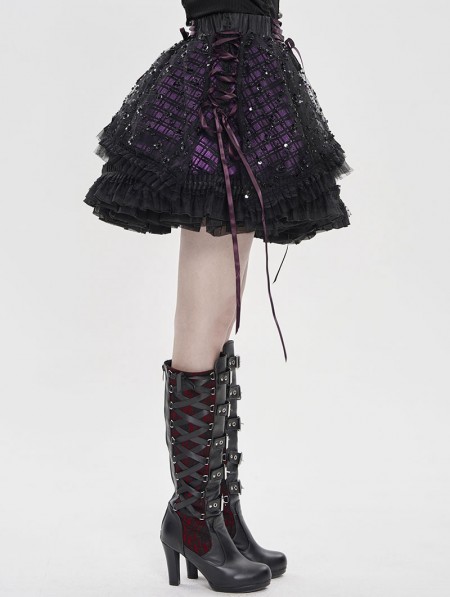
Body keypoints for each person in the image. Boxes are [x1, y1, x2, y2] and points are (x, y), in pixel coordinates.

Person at [84, 0, 353, 592]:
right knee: (206, 314)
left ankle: (217, 509)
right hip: (220, 84)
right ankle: (193, 517)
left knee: (224, 311)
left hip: (249, 76)